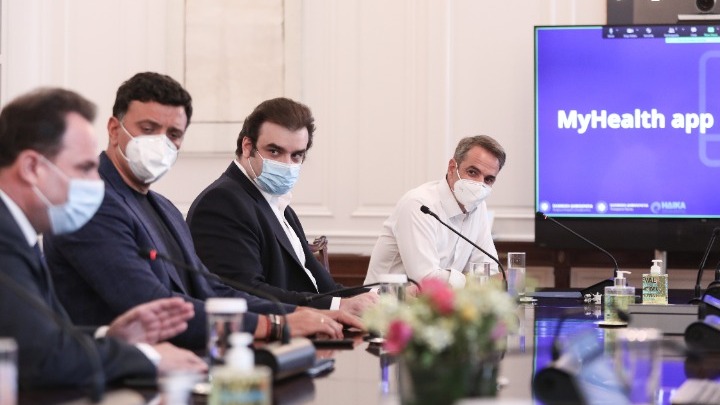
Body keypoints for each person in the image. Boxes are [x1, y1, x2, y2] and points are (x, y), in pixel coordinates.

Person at [43, 73, 362, 351]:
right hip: (111, 376)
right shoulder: (89, 203)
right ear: (114, 129)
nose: (161, 143)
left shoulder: (164, 207)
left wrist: (300, 314)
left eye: (173, 134)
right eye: (148, 128)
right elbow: (156, 308)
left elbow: (213, 290)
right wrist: (277, 325)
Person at [0, 87, 207, 390]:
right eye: (85, 168)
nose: (96, 183)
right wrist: (148, 357)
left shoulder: (17, 232)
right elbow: (43, 359)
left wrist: (109, 337)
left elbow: (44, 336)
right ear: (32, 168)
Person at [187, 97, 378, 315]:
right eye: (275, 151)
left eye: (296, 155)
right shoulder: (222, 202)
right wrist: (339, 306)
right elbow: (245, 292)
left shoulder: (278, 204)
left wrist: (383, 296)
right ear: (247, 147)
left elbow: (324, 289)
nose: (287, 164)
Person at [364, 135, 506, 288]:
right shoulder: (419, 205)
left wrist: (476, 280)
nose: (479, 184)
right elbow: (426, 280)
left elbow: (488, 270)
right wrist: (472, 281)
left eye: (488, 179)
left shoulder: (479, 206)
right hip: (385, 300)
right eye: (472, 172)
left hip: (444, 301)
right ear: (452, 168)